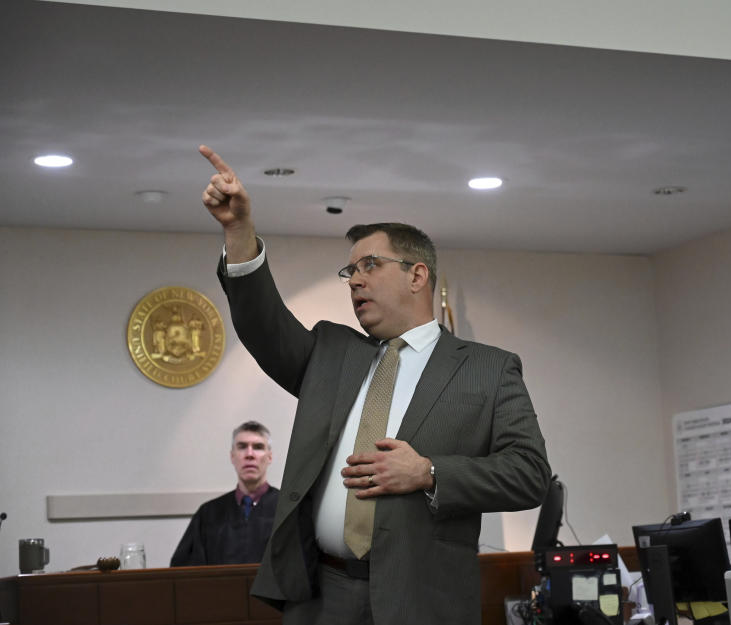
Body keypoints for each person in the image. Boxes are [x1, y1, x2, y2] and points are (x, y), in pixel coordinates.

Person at [198, 145, 551, 625]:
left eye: (370, 266)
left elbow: (529, 473)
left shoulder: (489, 369)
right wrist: (238, 231)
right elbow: (263, 325)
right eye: (350, 271)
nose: (354, 281)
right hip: (322, 594)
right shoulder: (330, 353)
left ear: (416, 275)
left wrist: (429, 472)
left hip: (422, 598)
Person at [171, 421, 279, 566]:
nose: (249, 454)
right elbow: (185, 572)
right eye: (242, 447)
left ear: (269, 457)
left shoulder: (287, 510)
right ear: (232, 456)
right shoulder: (208, 513)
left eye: (258, 447)